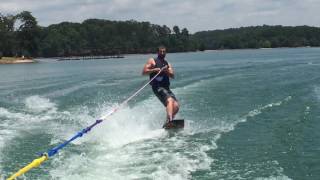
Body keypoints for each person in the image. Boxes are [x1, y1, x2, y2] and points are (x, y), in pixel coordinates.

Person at [142, 46, 179, 127]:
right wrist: (154, 70)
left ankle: (167, 123)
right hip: (157, 87)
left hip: (166, 88)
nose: (162, 53)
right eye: (161, 51)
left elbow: (172, 75)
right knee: (170, 100)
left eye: (164, 51)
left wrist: (166, 71)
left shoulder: (167, 64)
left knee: (176, 106)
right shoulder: (152, 61)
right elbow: (144, 72)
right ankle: (170, 120)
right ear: (158, 52)